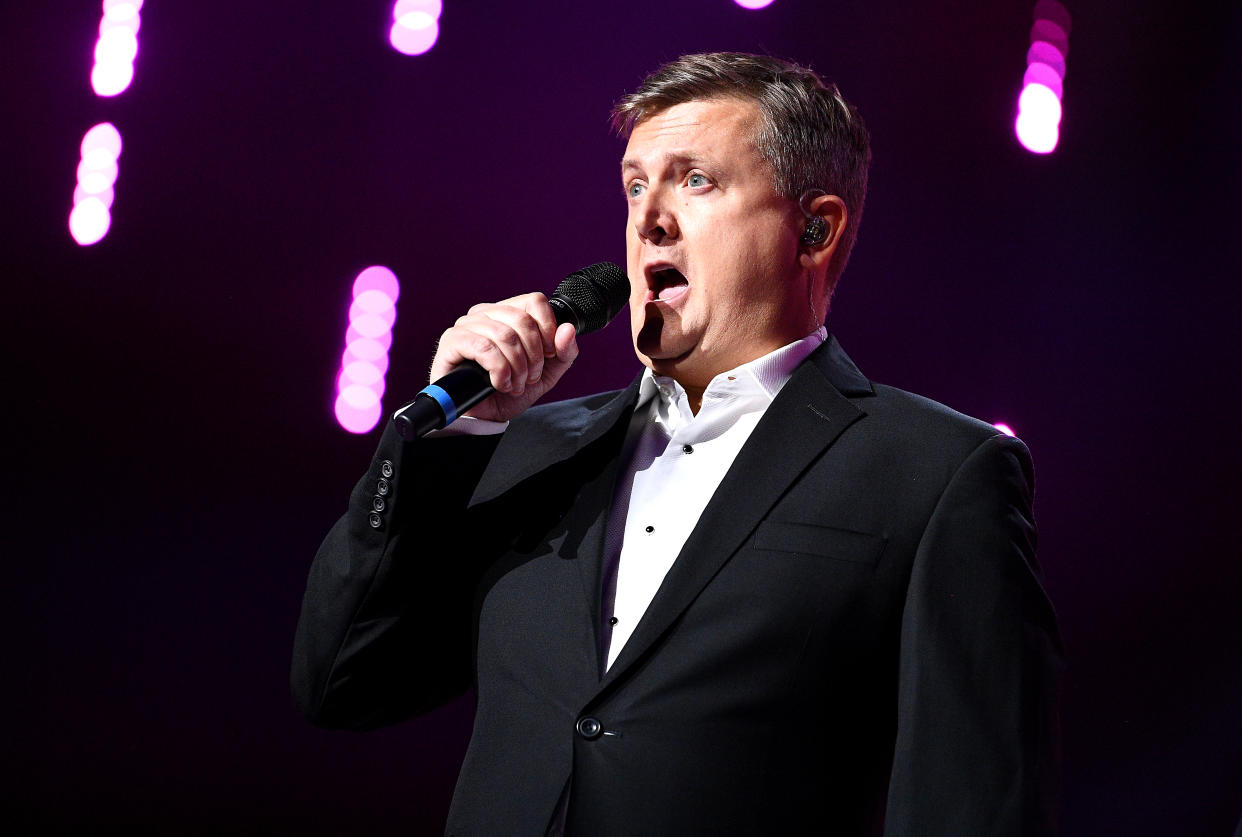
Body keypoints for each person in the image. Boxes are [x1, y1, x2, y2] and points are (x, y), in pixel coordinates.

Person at [292, 52, 1061, 835]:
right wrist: (456, 436)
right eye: (634, 184)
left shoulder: (935, 471)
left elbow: (974, 805)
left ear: (815, 229)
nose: (647, 218)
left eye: (696, 180)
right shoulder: (531, 449)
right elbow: (343, 681)